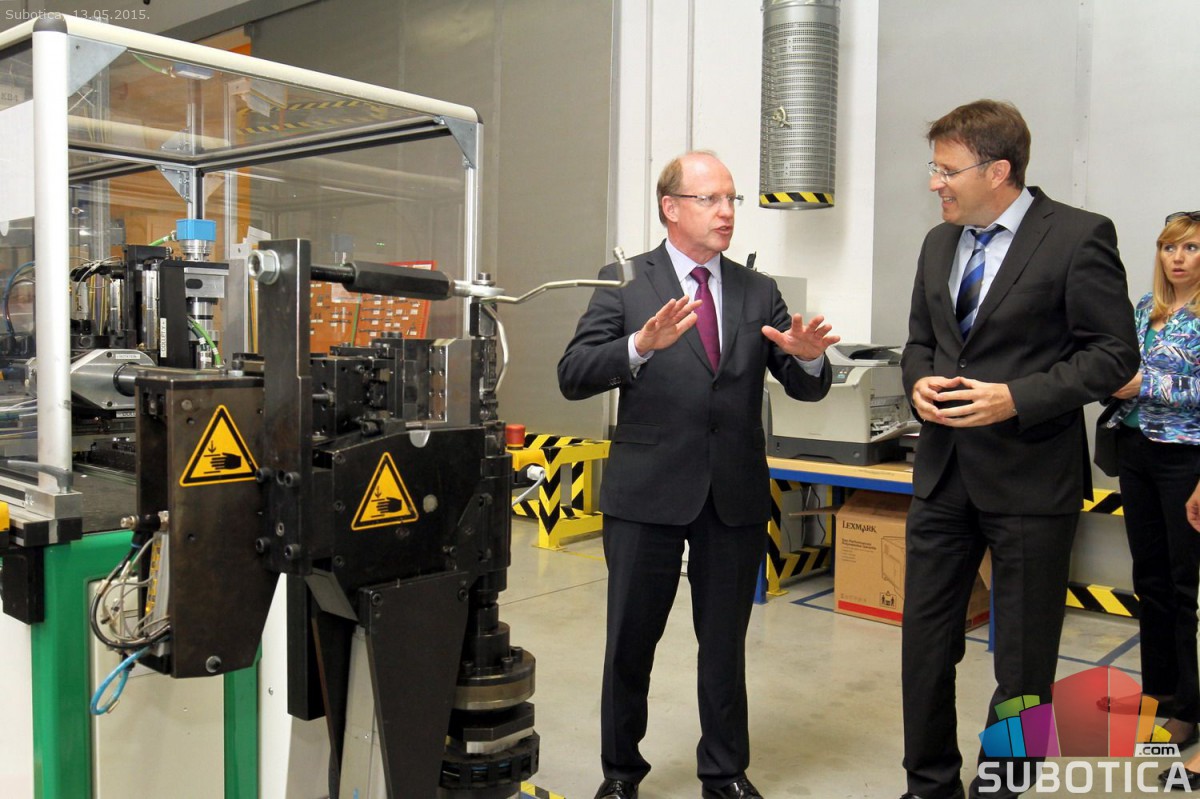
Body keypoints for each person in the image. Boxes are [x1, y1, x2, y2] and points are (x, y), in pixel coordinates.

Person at [557, 150, 836, 799]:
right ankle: (620, 773)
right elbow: (573, 373)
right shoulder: (625, 280)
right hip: (646, 491)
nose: (726, 212)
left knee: (724, 645)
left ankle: (725, 772)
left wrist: (810, 360)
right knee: (630, 642)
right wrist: (638, 346)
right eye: (710, 199)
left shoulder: (757, 289)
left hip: (732, 494)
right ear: (671, 207)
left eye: (732, 199)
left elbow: (804, 384)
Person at [899, 99, 1139, 799]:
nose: (935, 183)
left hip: (1031, 478)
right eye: (934, 168)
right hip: (943, 475)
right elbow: (920, 341)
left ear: (998, 170)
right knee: (925, 644)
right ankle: (928, 783)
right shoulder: (938, 244)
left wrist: (1016, 397)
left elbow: (1113, 354)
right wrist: (917, 382)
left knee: (1025, 662)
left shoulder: (1078, 236)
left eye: (947, 170)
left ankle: (1002, 786)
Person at [1106, 211, 1200, 760]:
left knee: (1183, 587)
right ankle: (1160, 692)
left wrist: (1146, 383)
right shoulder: (1147, 308)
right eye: (1169, 248)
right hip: (1137, 451)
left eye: (1190, 248)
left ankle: (1188, 709)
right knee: (1150, 579)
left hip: (1186, 459)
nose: (1178, 258)